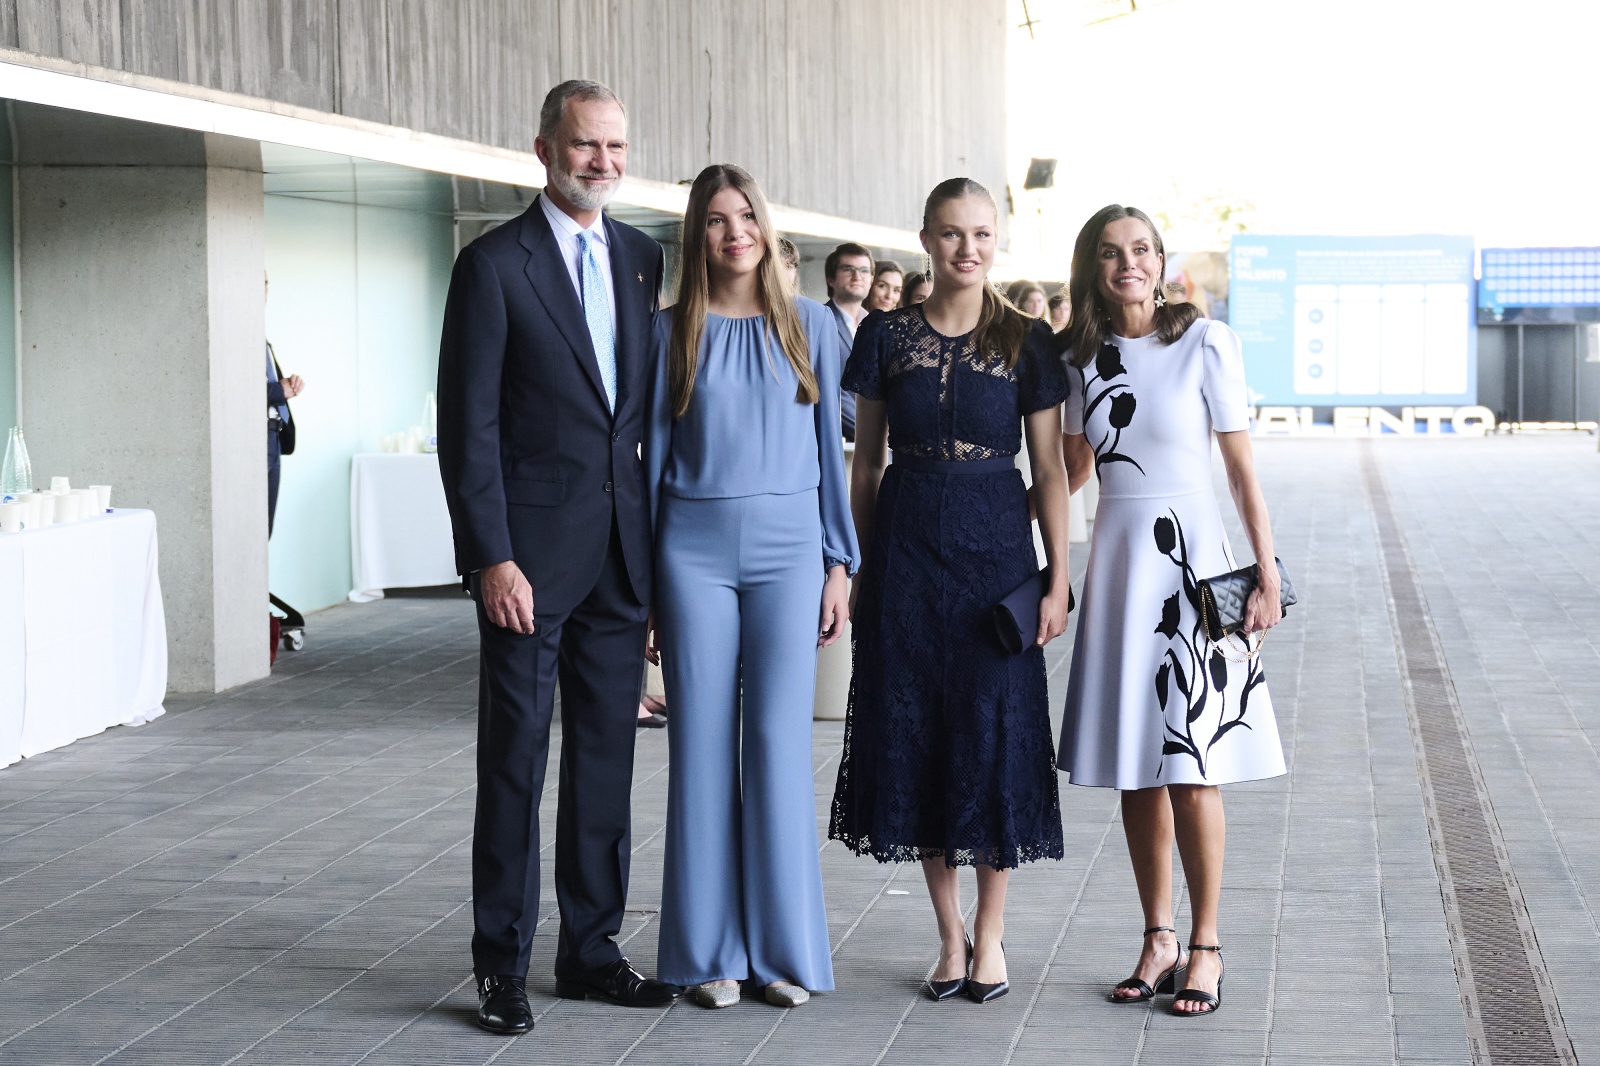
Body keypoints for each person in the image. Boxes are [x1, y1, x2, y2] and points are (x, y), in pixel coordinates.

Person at [435, 79, 679, 1036]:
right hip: (527, 568)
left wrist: (655, 569)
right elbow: (470, 429)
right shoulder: (493, 266)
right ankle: (500, 962)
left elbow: (639, 423)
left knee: (606, 766)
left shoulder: (639, 256)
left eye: (616, 148)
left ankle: (590, 951)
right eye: (586, 147)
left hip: (621, 559)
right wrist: (490, 557)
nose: (604, 164)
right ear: (543, 150)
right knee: (515, 765)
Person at [829, 178, 1074, 1005]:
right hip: (904, 549)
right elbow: (865, 460)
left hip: (998, 551)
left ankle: (994, 934)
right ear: (927, 240)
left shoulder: (1027, 339)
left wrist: (1056, 580)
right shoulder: (887, 335)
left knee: (996, 734)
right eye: (949, 234)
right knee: (918, 735)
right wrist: (858, 565)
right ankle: (948, 936)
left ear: (995, 240)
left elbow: (1048, 470)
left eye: (979, 234)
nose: (966, 248)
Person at [1055, 204, 1286, 1018]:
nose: (1130, 264)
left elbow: (1240, 472)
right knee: (1135, 767)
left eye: (1143, 250)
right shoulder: (1081, 355)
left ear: (1160, 260)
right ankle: (1157, 937)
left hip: (1194, 565)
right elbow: (1075, 471)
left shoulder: (1205, 343)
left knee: (1191, 766)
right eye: (1114, 253)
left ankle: (1207, 945)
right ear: (1094, 266)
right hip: (1121, 564)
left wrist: (1266, 571)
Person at [645, 164, 858, 1010]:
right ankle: (706, 954)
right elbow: (654, 464)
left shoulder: (810, 325)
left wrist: (839, 562)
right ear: (696, 235)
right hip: (690, 552)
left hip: (790, 550)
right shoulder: (669, 333)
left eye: (746, 217)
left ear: (766, 229)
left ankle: (780, 951)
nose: (735, 232)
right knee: (699, 745)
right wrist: (651, 590)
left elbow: (831, 458)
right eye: (716, 220)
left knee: (775, 745)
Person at [264, 273, 303, 539]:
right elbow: (231, 391)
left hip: (274, 438)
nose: (263, 289)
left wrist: (288, 384)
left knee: (265, 529)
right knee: (251, 529)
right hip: (253, 442)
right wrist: (280, 390)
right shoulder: (235, 333)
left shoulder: (262, 340)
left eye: (265, 283)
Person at [823, 241, 874, 439]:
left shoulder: (875, 325)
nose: (857, 276)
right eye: (848, 269)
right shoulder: (819, 322)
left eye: (864, 270)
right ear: (830, 279)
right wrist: (870, 434)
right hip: (844, 442)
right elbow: (830, 391)